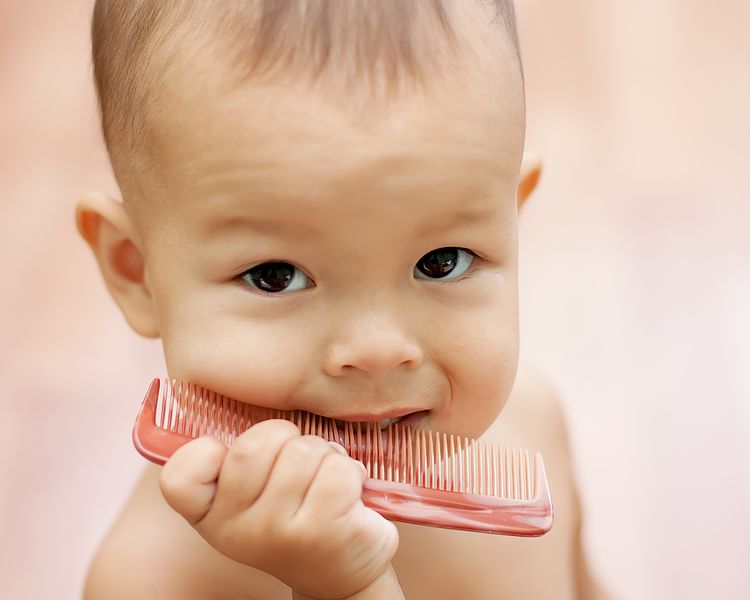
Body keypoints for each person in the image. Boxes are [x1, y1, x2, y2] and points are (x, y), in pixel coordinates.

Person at [76, 1, 597, 598]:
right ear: (136, 272)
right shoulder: (151, 584)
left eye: (441, 262)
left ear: (512, 220)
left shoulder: (531, 417)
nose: (376, 351)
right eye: (275, 275)